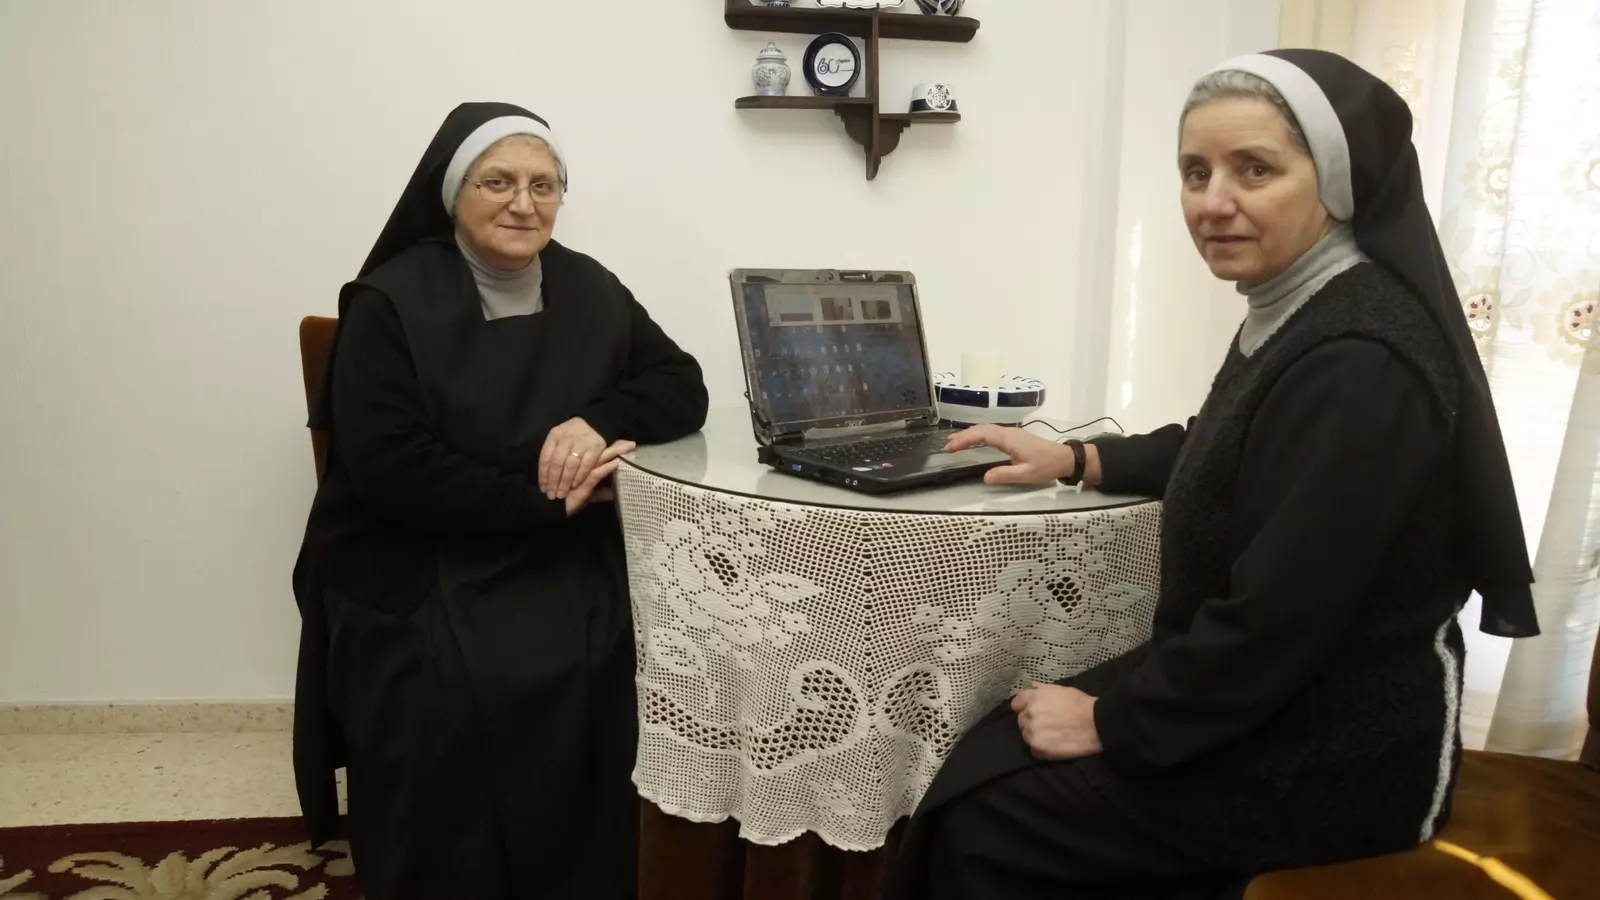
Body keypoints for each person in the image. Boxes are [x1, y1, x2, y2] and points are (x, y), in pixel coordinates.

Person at [882, 50, 1540, 900]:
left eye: (1254, 169)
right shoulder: (1305, 304)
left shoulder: (1361, 358)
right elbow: (1232, 447)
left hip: (1343, 755)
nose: (1212, 202)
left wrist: (1115, 723)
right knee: (986, 753)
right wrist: (1075, 457)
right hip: (1274, 702)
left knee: (987, 817)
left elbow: (1278, 617)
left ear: (1335, 183)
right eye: (1196, 172)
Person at [291, 102, 708, 900]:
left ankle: (594, 872)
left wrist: (600, 420)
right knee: (461, 676)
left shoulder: (589, 285)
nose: (524, 203)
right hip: (421, 548)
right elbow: (393, 472)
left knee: (633, 644)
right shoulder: (388, 301)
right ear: (454, 195)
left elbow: (680, 383)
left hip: (561, 543)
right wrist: (542, 504)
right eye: (499, 182)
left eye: (543, 186)